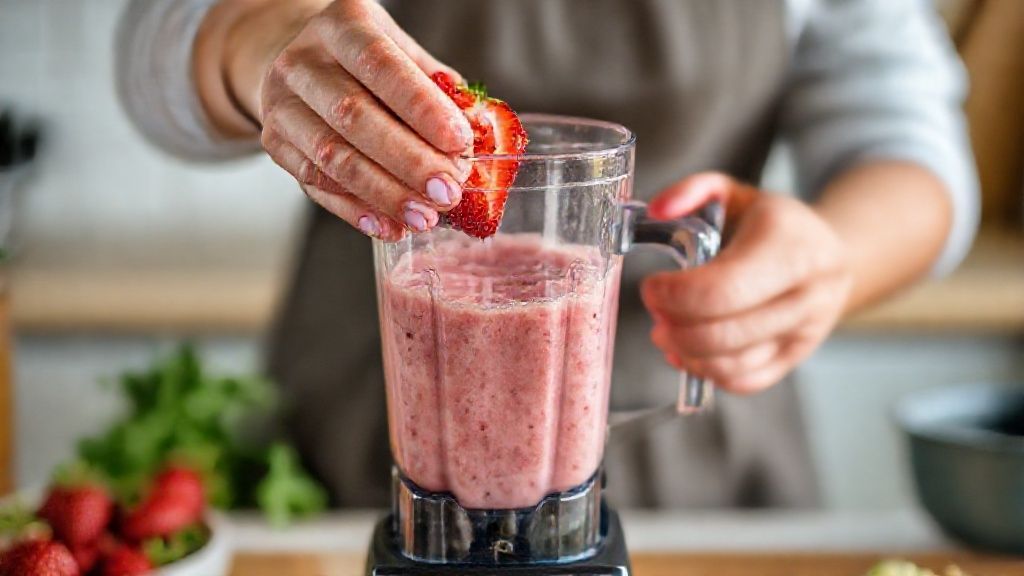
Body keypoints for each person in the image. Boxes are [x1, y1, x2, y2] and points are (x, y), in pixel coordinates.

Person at [116, 0, 978, 509]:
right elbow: (158, 41)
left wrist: (830, 256)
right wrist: (266, 45)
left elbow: (907, 140)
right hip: (358, 442)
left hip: (700, 460)